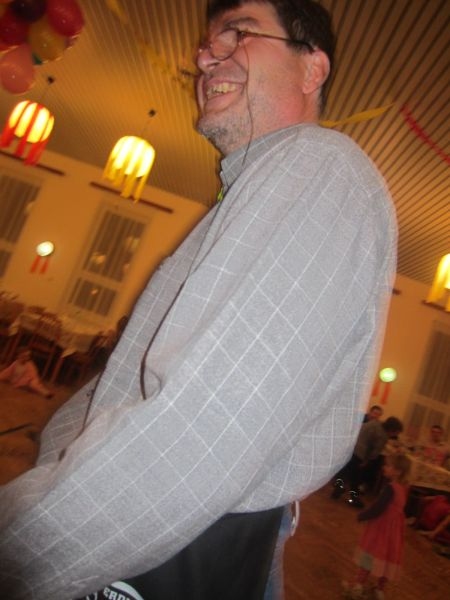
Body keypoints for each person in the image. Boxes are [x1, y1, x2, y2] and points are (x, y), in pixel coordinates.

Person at [0, 1, 398, 598]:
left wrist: (17, 555)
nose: (206, 57)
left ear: (312, 68)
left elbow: (197, 436)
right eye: (208, 44)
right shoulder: (268, 187)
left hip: (162, 542)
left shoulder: (317, 166)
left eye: (237, 32)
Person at [343, 454, 412, 600]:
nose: (384, 467)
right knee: (388, 557)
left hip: (381, 528)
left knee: (369, 554)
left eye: (388, 465)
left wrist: (362, 516)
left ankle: (358, 586)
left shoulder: (390, 488)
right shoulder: (404, 488)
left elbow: (378, 508)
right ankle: (380, 590)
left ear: (397, 471)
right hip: (394, 531)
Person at [331, 417, 403, 506]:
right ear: (392, 429)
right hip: (359, 453)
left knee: (345, 471)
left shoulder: (374, 422)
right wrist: (367, 460)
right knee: (356, 478)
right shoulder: (383, 436)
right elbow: (375, 452)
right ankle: (353, 498)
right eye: (396, 432)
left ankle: (338, 489)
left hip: (350, 447)